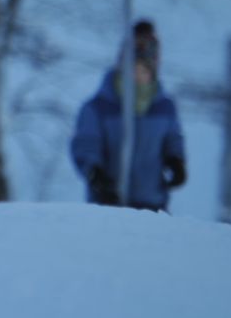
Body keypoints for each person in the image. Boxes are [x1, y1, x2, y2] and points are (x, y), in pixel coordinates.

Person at [70, 19, 187, 212]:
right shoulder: (98, 108)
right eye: (133, 68)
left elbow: (173, 138)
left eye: (144, 70)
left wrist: (176, 161)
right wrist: (95, 175)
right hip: (108, 206)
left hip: (153, 206)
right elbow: (86, 144)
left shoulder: (164, 108)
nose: (138, 76)